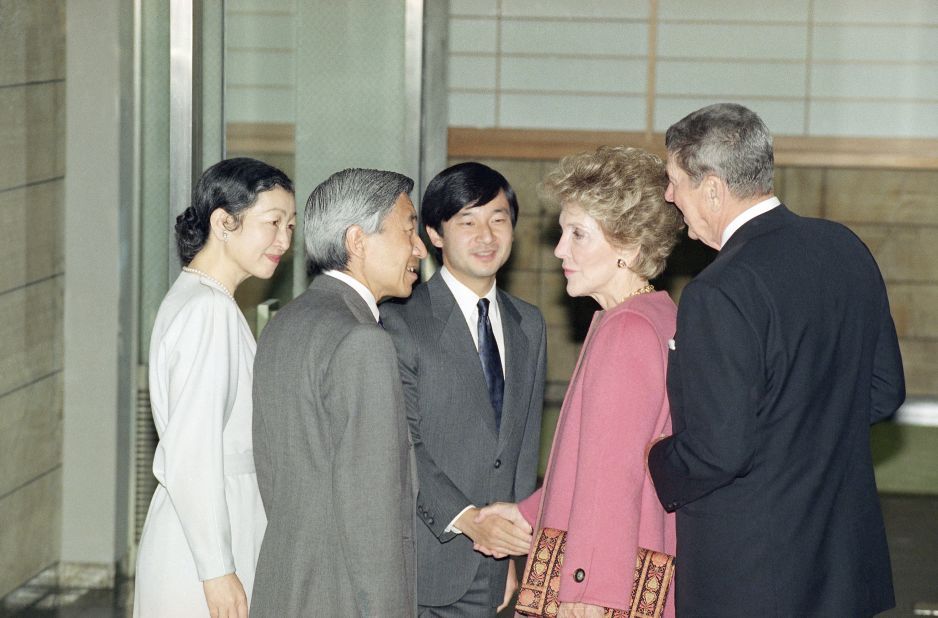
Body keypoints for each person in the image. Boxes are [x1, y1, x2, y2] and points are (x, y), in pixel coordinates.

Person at [646, 103, 905, 616]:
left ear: (714, 188)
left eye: (675, 181)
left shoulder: (719, 291)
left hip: (752, 575)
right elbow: (883, 391)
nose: (670, 195)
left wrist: (657, 458)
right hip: (841, 563)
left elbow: (721, 450)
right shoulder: (845, 248)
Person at [478, 146, 684, 618]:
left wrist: (586, 586)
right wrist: (529, 512)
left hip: (602, 584)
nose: (559, 250)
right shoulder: (653, 314)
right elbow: (593, 465)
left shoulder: (626, 330)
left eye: (578, 234)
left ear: (629, 246)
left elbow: (616, 477)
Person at [250, 168, 427, 617]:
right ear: (357, 241)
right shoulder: (363, 341)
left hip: (284, 585)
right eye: (409, 229)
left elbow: (273, 477)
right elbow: (374, 514)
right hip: (344, 598)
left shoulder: (284, 325)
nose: (420, 248)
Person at [381, 162, 547, 616]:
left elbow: (523, 445)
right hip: (426, 565)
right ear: (435, 234)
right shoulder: (399, 321)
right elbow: (404, 446)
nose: (486, 236)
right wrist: (471, 522)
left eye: (498, 220)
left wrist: (512, 554)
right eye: (467, 222)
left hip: (496, 571)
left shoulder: (528, 323)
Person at [134, 157, 296, 618]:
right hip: (202, 545)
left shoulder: (205, 299)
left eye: (290, 225)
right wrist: (217, 570)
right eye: (272, 222)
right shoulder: (209, 310)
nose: (284, 240)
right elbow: (192, 452)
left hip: (217, 523)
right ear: (224, 222)